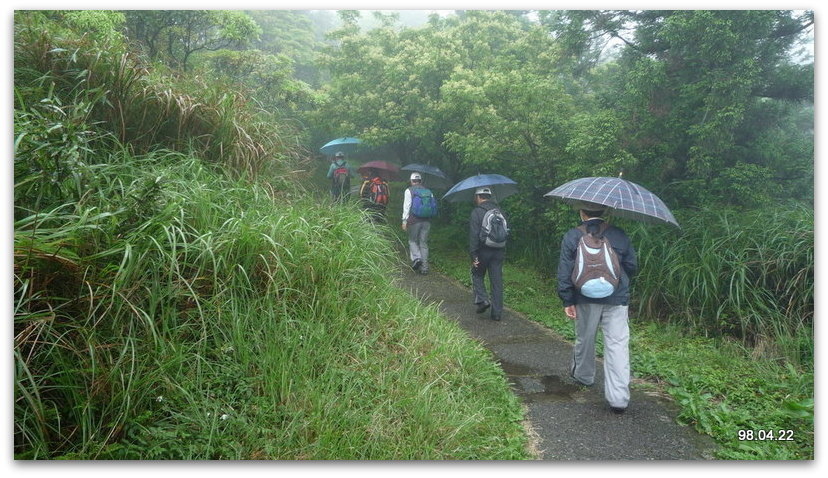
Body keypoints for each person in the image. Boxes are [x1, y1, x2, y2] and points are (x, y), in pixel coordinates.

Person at [556, 207, 637, 414]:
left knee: (586, 337)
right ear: (606, 212)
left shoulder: (573, 235)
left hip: (584, 298)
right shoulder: (618, 234)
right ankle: (619, 399)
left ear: (582, 212)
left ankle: (584, 376)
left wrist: (567, 300)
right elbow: (631, 266)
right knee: (617, 344)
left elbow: (565, 270)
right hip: (617, 298)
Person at [469, 187, 506, 321]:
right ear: (489, 196)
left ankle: (483, 300)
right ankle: (497, 314)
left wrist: (473, 255)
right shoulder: (500, 211)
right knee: (497, 282)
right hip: (499, 251)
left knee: (476, 273)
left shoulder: (477, 212)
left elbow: (474, 235)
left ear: (478, 197)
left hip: (483, 251)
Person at [401, 172, 435, 274]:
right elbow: (433, 206)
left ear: (411, 181)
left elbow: (406, 206)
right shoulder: (428, 191)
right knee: (423, 243)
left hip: (414, 220)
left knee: (412, 241)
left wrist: (404, 220)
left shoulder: (409, 191)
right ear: (420, 181)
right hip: (427, 221)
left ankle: (417, 258)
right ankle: (424, 268)